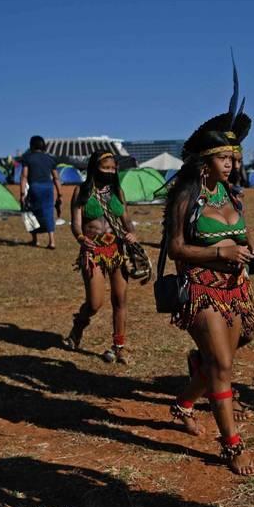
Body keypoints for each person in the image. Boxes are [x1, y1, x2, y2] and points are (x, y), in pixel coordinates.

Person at [164, 105, 254, 475]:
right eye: (224, 157)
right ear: (205, 160)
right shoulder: (186, 198)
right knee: (222, 365)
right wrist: (218, 251)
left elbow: (245, 236)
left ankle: (184, 403)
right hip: (201, 290)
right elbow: (176, 247)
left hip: (236, 290)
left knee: (222, 360)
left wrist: (252, 250)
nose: (231, 164)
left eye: (233, 158)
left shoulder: (232, 196)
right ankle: (232, 445)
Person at [63, 151, 140, 363]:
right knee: (95, 303)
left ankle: (119, 346)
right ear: (94, 168)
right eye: (105, 168)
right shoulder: (82, 190)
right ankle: (78, 326)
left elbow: (127, 219)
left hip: (117, 250)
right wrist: (80, 237)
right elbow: (76, 223)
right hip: (93, 252)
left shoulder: (118, 191)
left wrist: (131, 233)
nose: (110, 172)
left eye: (113, 168)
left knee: (120, 300)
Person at [20, 136, 62, 249]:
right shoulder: (50, 159)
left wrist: (22, 193)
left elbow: (24, 176)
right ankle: (52, 241)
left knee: (31, 212)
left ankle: (35, 240)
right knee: (49, 212)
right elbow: (56, 178)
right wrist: (59, 193)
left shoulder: (27, 158)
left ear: (31, 145)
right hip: (48, 188)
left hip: (35, 187)